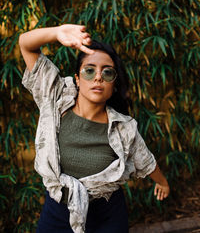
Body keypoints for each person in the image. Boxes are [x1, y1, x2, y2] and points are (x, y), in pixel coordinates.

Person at [19, 24, 170, 233]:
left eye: (107, 73)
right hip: (58, 210)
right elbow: (25, 44)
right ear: (78, 79)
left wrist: (162, 183)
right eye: (89, 71)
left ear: (114, 85)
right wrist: (56, 33)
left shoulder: (123, 128)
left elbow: (145, 159)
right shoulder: (55, 97)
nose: (98, 77)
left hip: (107, 214)